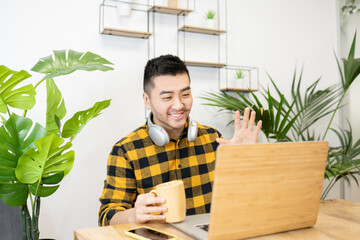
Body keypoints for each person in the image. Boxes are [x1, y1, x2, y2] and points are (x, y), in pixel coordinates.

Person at [98, 54, 262, 226]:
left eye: (185, 94)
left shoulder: (214, 139)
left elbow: (240, 201)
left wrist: (244, 161)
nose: (178, 105)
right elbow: (106, 217)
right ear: (147, 100)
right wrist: (133, 215)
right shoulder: (126, 150)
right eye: (167, 97)